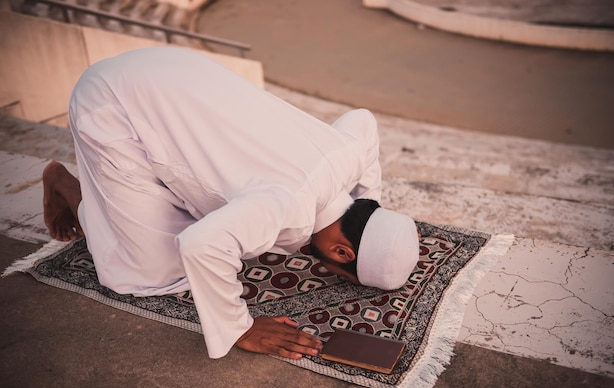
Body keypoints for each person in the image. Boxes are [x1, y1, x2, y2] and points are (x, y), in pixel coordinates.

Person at [43, 47, 420, 360]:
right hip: (112, 102)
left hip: (173, 67)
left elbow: (362, 120)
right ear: (341, 251)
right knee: (148, 273)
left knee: (209, 213)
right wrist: (242, 327)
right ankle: (65, 185)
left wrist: (368, 202)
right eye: (344, 274)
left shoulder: (347, 155)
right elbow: (201, 245)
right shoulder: (286, 205)